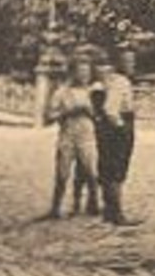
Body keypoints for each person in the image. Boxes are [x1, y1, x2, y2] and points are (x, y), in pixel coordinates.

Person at [44, 56, 99, 220]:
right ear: (73, 73)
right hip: (67, 136)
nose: (84, 76)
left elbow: (102, 116)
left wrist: (90, 112)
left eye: (87, 72)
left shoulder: (95, 91)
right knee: (62, 174)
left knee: (91, 173)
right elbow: (49, 117)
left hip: (87, 136)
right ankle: (55, 208)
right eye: (80, 72)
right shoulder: (62, 92)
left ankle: (90, 205)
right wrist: (68, 112)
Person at [92, 47, 140, 226]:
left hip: (106, 127)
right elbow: (110, 109)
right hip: (118, 126)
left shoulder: (108, 80)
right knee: (117, 170)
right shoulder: (121, 82)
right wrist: (120, 127)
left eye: (133, 61)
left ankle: (109, 211)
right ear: (120, 63)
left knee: (108, 169)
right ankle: (117, 213)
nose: (132, 65)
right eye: (128, 61)